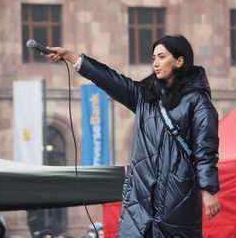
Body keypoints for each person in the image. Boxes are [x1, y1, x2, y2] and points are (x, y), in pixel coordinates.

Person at [44, 34, 220, 237]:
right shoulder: (145, 96)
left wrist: (209, 190)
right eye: (153, 58)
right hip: (139, 202)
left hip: (177, 200)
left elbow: (205, 148)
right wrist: (74, 58)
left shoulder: (197, 101)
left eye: (162, 57)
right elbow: (110, 79)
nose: (155, 63)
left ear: (179, 61)